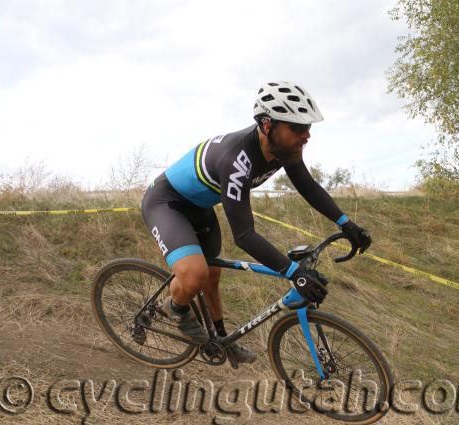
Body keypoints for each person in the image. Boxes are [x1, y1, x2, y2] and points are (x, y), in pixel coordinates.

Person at [141, 80, 371, 364]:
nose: (307, 135)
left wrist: (347, 223)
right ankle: (175, 308)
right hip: (167, 203)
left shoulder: (283, 148)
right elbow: (245, 235)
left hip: (200, 207)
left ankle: (220, 340)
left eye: (308, 127)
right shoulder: (237, 160)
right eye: (298, 128)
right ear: (267, 125)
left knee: (213, 276)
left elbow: (308, 187)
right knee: (196, 274)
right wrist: (294, 272)